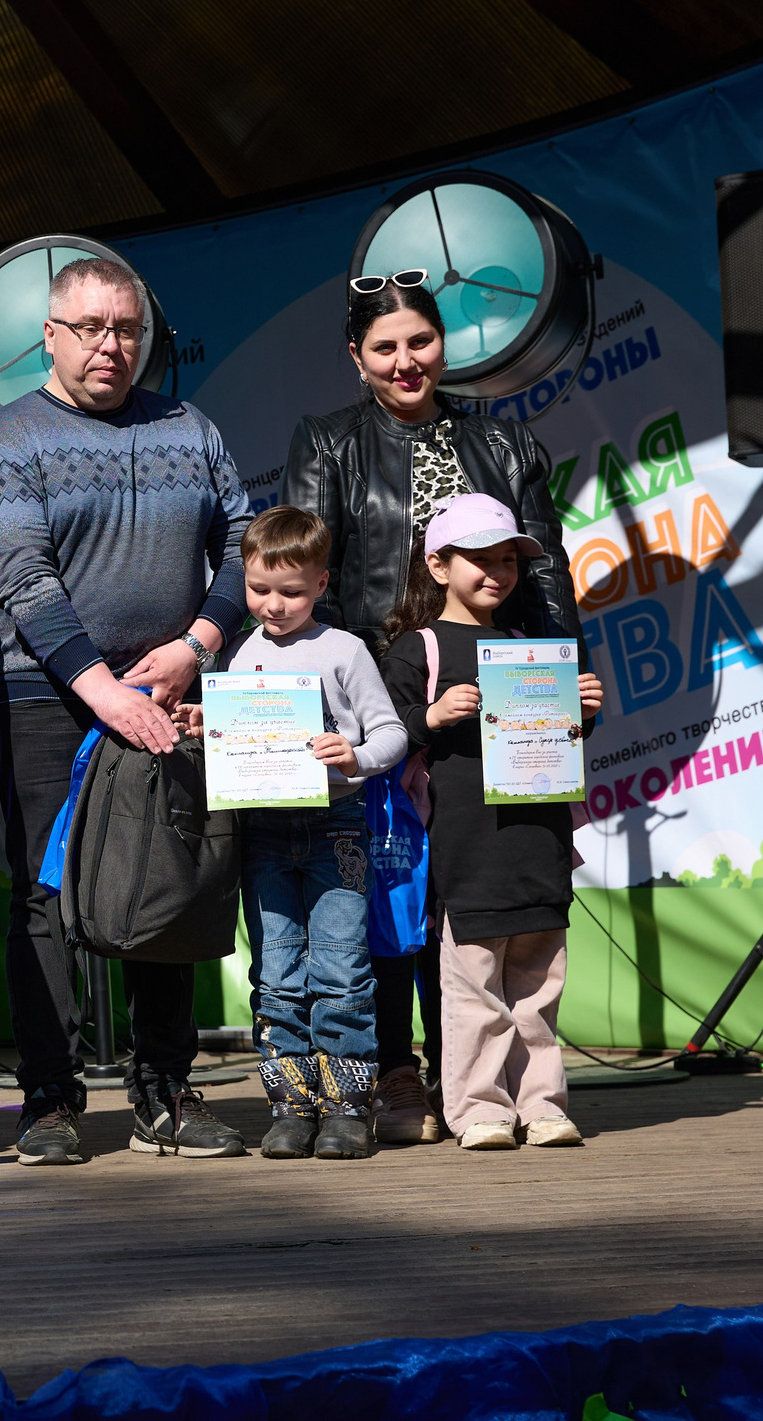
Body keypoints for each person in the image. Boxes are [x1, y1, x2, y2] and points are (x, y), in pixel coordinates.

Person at [282, 273, 579, 1145]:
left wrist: (566, 697)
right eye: (385, 348)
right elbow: (312, 575)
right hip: (385, 699)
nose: (406, 361)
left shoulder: (505, 443)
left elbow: (548, 575)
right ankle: (399, 1073)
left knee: (471, 894)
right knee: (390, 896)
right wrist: (376, 714)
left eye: (420, 342)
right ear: (356, 357)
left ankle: (488, 1086)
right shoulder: (327, 441)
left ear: (443, 344)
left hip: (492, 704)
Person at [0, 254, 251, 1165]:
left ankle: (164, 1090)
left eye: (127, 329)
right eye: (90, 328)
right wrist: (103, 691)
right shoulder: (12, 438)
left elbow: (249, 541)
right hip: (49, 697)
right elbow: (22, 577)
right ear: (49, 335)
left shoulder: (191, 425)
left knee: (163, 885)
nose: (111, 346)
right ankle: (50, 1100)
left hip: (169, 689)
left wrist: (196, 645)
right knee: (44, 898)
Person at [180, 507, 407, 1161]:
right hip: (264, 835)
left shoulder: (344, 650)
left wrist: (355, 755)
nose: (273, 605)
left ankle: (346, 1105)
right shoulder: (239, 654)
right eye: (258, 589)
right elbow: (238, 740)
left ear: (322, 585)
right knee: (277, 974)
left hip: (337, 831)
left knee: (340, 969)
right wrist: (208, 721)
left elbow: (389, 732)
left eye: (291, 591)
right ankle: (290, 1105)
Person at [378, 494, 603, 1151]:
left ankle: (543, 1106)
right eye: (480, 558)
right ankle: (479, 1109)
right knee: (474, 986)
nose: (497, 572)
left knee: (537, 987)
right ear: (439, 565)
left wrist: (582, 710)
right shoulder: (416, 650)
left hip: (537, 844)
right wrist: (433, 717)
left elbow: (554, 741)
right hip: (462, 851)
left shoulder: (530, 649)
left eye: (507, 559)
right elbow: (382, 738)